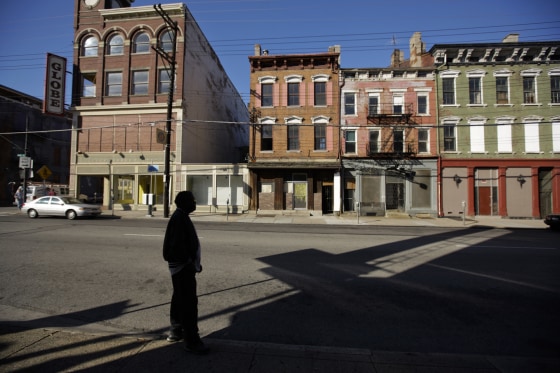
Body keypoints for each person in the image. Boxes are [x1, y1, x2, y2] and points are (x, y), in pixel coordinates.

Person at [162, 191, 209, 355]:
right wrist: (189, 262)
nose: (194, 203)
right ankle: (192, 340)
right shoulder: (179, 218)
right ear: (184, 203)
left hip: (183, 267)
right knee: (188, 303)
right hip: (182, 268)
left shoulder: (181, 216)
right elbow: (176, 247)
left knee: (179, 299)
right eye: (192, 201)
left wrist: (195, 262)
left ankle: (176, 331)